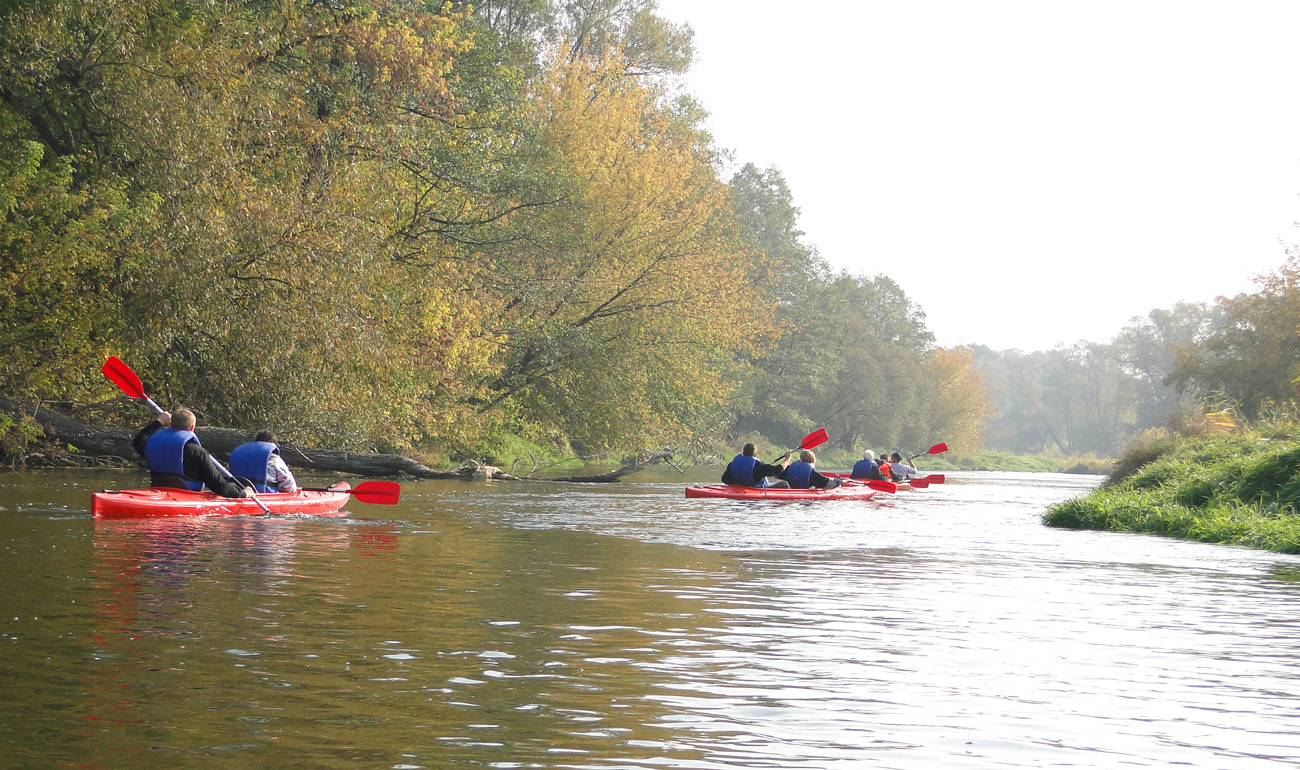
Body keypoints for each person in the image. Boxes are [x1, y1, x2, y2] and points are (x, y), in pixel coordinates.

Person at [131, 407, 253, 498]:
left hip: (159, 493)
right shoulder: (197, 452)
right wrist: (243, 493)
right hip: (186, 497)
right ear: (191, 428)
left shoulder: (155, 447)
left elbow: (138, 441)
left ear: (171, 425)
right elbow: (219, 487)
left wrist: (159, 421)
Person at [229, 430, 298, 493]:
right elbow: (290, 487)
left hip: (238, 493)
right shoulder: (273, 459)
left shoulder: (240, 455)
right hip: (264, 496)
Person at [722, 443, 793, 488]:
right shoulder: (758, 467)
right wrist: (787, 459)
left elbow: (724, 479)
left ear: (743, 453)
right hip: (755, 491)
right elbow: (778, 470)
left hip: (737, 490)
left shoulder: (732, 464)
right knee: (784, 484)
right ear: (755, 455)